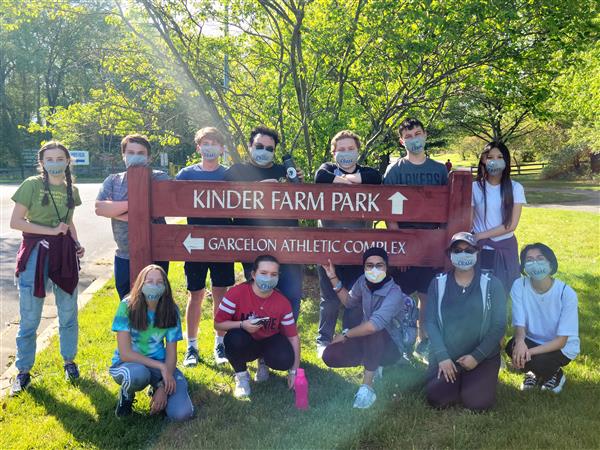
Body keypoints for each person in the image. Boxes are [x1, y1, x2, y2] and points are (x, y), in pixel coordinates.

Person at [9, 141, 84, 396]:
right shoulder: (31, 185)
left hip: (63, 253)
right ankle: (23, 371)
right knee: (30, 316)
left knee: (68, 311)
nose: (55, 163)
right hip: (35, 253)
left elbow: (69, 223)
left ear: (67, 161)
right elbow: (16, 222)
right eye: (49, 159)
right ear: (42, 163)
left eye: (59, 158)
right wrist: (51, 231)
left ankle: (69, 362)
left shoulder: (71, 189)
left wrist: (76, 243)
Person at [383, 118, 448, 362]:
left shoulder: (440, 170)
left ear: (425, 134)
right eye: (409, 136)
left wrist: (440, 243)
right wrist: (400, 249)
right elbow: (388, 214)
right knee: (402, 298)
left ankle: (424, 341)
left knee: (427, 297)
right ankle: (401, 344)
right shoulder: (395, 170)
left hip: (432, 245)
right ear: (402, 141)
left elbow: (445, 211)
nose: (414, 139)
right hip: (405, 245)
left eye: (418, 133)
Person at [314, 130, 382, 358]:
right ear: (334, 153)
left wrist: (345, 180)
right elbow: (320, 178)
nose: (346, 153)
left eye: (350, 149)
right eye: (340, 150)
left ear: (357, 151)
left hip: (358, 249)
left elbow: (375, 178)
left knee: (355, 299)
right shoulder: (326, 169)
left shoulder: (368, 172)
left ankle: (349, 337)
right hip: (329, 247)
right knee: (330, 300)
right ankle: (323, 340)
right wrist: (347, 181)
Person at [223, 126, 304, 320]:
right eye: (259, 146)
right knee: (258, 295)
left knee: (291, 294)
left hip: (286, 243)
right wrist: (257, 189)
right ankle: (258, 337)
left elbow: (302, 202)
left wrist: (300, 185)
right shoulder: (237, 171)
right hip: (252, 243)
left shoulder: (285, 170)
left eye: (270, 149)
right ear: (250, 146)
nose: (264, 151)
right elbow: (222, 201)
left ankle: (286, 340)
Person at [321, 247, 416, 409]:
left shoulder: (395, 293)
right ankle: (372, 362)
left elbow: (373, 326)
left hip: (391, 348)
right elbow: (349, 302)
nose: (374, 269)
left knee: (374, 331)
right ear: (364, 267)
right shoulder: (362, 282)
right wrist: (332, 277)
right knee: (330, 356)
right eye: (369, 265)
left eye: (379, 265)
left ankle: (367, 387)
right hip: (367, 339)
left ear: (386, 267)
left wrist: (345, 335)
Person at [424, 232, 506, 411]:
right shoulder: (438, 283)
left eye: (469, 250)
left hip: (482, 355)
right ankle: (457, 379)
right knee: (438, 400)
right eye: (457, 250)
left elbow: (499, 325)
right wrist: (442, 356)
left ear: (477, 253)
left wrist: (477, 357)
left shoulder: (492, 284)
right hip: (447, 354)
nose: (463, 254)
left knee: (478, 404)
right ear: (450, 254)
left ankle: (475, 379)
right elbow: (430, 321)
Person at [175, 127, 235, 367]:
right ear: (198, 147)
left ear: (222, 148)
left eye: (214, 143)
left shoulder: (230, 175)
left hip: (222, 243)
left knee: (221, 293)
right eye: (205, 143)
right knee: (196, 294)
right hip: (195, 244)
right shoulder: (186, 174)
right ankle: (192, 345)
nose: (209, 147)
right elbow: (172, 201)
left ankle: (220, 342)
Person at [109, 264, 194, 420]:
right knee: (137, 375)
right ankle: (126, 395)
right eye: (149, 281)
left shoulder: (171, 310)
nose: (154, 286)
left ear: (165, 287)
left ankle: (157, 391)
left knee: (182, 414)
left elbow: (171, 354)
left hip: (161, 365)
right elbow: (126, 353)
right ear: (141, 284)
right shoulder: (126, 306)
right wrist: (161, 367)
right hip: (128, 365)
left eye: (159, 282)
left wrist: (162, 385)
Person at [95, 134, 170, 300]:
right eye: (131, 152)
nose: (135, 156)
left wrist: (118, 211)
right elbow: (100, 208)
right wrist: (137, 207)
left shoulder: (159, 178)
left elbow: (159, 208)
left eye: (140, 153)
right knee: (127, 302)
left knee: (157, 302)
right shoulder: (112, 181)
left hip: (156, 254)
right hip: (124, 255)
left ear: (148, 157)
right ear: (123, 155)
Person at [214, 255, 300, 399]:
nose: (268, 278)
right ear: (253, 274)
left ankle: (263, 362)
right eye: (263, 273)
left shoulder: (282, 302)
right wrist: (242, 324)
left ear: (279, 277)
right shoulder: (236, 293)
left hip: (270, 340)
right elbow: (218, 324)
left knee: (285, 358)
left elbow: (293, 337)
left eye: (273, 274)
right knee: (233, 339)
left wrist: (294, 372)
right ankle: (241, 377)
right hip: (245, 340)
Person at [505, 243, 579, 394]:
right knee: (511, 347)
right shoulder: (519, 285)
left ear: (550, 263)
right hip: (532, 340)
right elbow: (520, 323)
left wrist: (528, 353)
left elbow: (561, 341)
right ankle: (533, 372)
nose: (535, 263)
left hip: (561, 347)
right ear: (524, 266)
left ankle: (555, 374)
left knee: (540, 361)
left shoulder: (566, 293)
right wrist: (520, 342)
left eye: (540, 258)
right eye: (529, 260)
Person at [472, 141, 526, 292]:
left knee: (501, 295)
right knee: (478, 295)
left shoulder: (515, 188)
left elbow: (511, 224)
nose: (494, 161)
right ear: (483, 160)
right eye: (490, 157)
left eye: (499, 157)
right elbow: (468, 220)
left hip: (504, 249)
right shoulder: (474, 188)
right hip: (480, 250)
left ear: (506, 160)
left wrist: (481, 235)